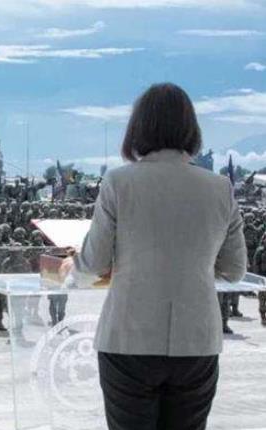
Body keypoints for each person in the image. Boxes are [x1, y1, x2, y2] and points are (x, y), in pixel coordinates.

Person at [60, 83, 247, 430]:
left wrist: (72, 267)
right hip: (196, 340)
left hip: (129, 339)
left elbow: (93, 264)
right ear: (191, 130)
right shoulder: (221, 188)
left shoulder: (118, 182)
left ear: (138, 129)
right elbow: (235, 270)